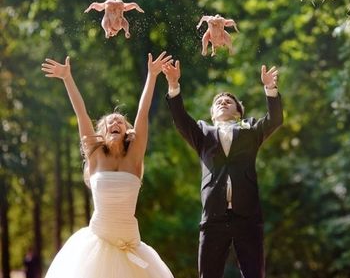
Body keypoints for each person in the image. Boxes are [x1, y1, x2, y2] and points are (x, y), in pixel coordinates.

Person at [40, 52, 174, 278]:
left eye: (120, 121)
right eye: (110, 121)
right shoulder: (95, 157)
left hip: (131, 244)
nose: (115, 122)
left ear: (126, 131)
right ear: (101, 132)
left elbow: (142, 112)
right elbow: (81, 113)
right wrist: (67, 78)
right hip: (96, 247)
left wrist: (152, 76)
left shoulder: (134, 158)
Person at [163, 60, 283, 278]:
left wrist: (270, 89)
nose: (223, 102)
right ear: (211, 113)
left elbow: (275, 120)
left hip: (247, 215)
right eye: (219, 101)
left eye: (229, 101)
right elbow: (181, 121)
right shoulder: (202, 133)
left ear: (238, 112)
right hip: (213, 216)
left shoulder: (250, 130)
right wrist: (173, 86)